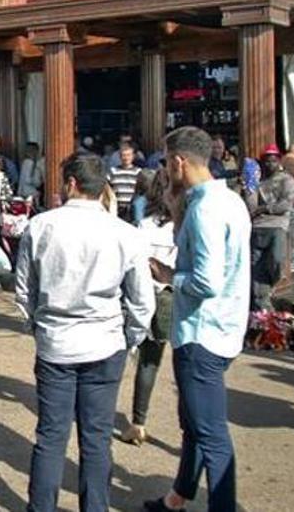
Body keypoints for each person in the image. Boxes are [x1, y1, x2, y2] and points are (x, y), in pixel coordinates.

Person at [16, 153, 154, 512]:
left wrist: (38, 326)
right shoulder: (126, 233)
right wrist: (131, 338)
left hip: (56, 341)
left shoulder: (40, 226)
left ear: (71, 183)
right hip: (106, 341)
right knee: (95, 439)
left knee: (50, 436)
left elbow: (23, 291)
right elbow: (142, 300)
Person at [143, 127, 251, 512]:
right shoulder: (228, 200)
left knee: (209, 432)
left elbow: (206, 279)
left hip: (202, 331)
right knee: (193, 423)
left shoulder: (205, 209)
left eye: (166, 160)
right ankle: (178, 497)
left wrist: (170, 277)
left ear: (178, 161)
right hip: (223, 325)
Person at [123, 167, 179, 447]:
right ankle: (187, 427)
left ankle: (138, 421)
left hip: (144, 294)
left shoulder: (142, 226)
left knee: (147, 359)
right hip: (175, 295)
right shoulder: (184, 225)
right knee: (181, 361)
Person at [245, 144, 294, 312]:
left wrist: (265, 209)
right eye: (266, 161)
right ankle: (261, 308)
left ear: (279, 161)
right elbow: (251, 206)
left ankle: (274, 292)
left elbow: (285, 204)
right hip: (258, 227)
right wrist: (247, 187)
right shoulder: (258, 180)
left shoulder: (286, 179)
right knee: (256, 267)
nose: (269, 165)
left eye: (273, 161)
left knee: (276, 261)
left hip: (277, 226)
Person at [108, 144, 142, 221]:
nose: (126, 158)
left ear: (133, 156)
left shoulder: (138, 172)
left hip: (133, 209)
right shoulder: (113, 172)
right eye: (124, 155)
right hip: (117, 209)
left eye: (128, 155)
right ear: (120, 157)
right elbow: (107, 189)